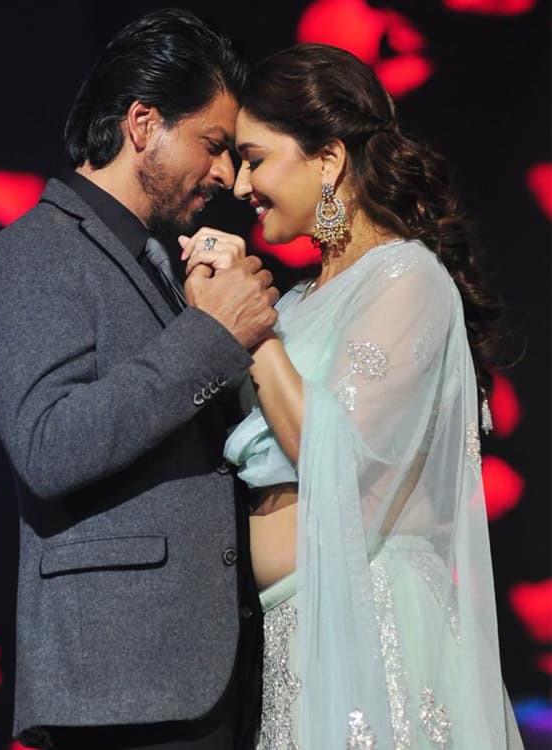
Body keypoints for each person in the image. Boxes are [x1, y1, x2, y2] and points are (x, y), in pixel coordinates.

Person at [181, 44, 525, 749]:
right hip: (295, 635)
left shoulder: (408, 278)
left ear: (329, 160)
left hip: (376, 630)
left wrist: (255, 331)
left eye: (255, 157)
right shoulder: (309, 297)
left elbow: (331, 451)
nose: (241, 184)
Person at [0, 9, 279, 750]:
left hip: (206, 681)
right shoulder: (33, 253)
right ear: (143, 123)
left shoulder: (158, 260)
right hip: (119, 693)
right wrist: (210, 338)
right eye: (212, 145)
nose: (228, 176)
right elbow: (50, 446)